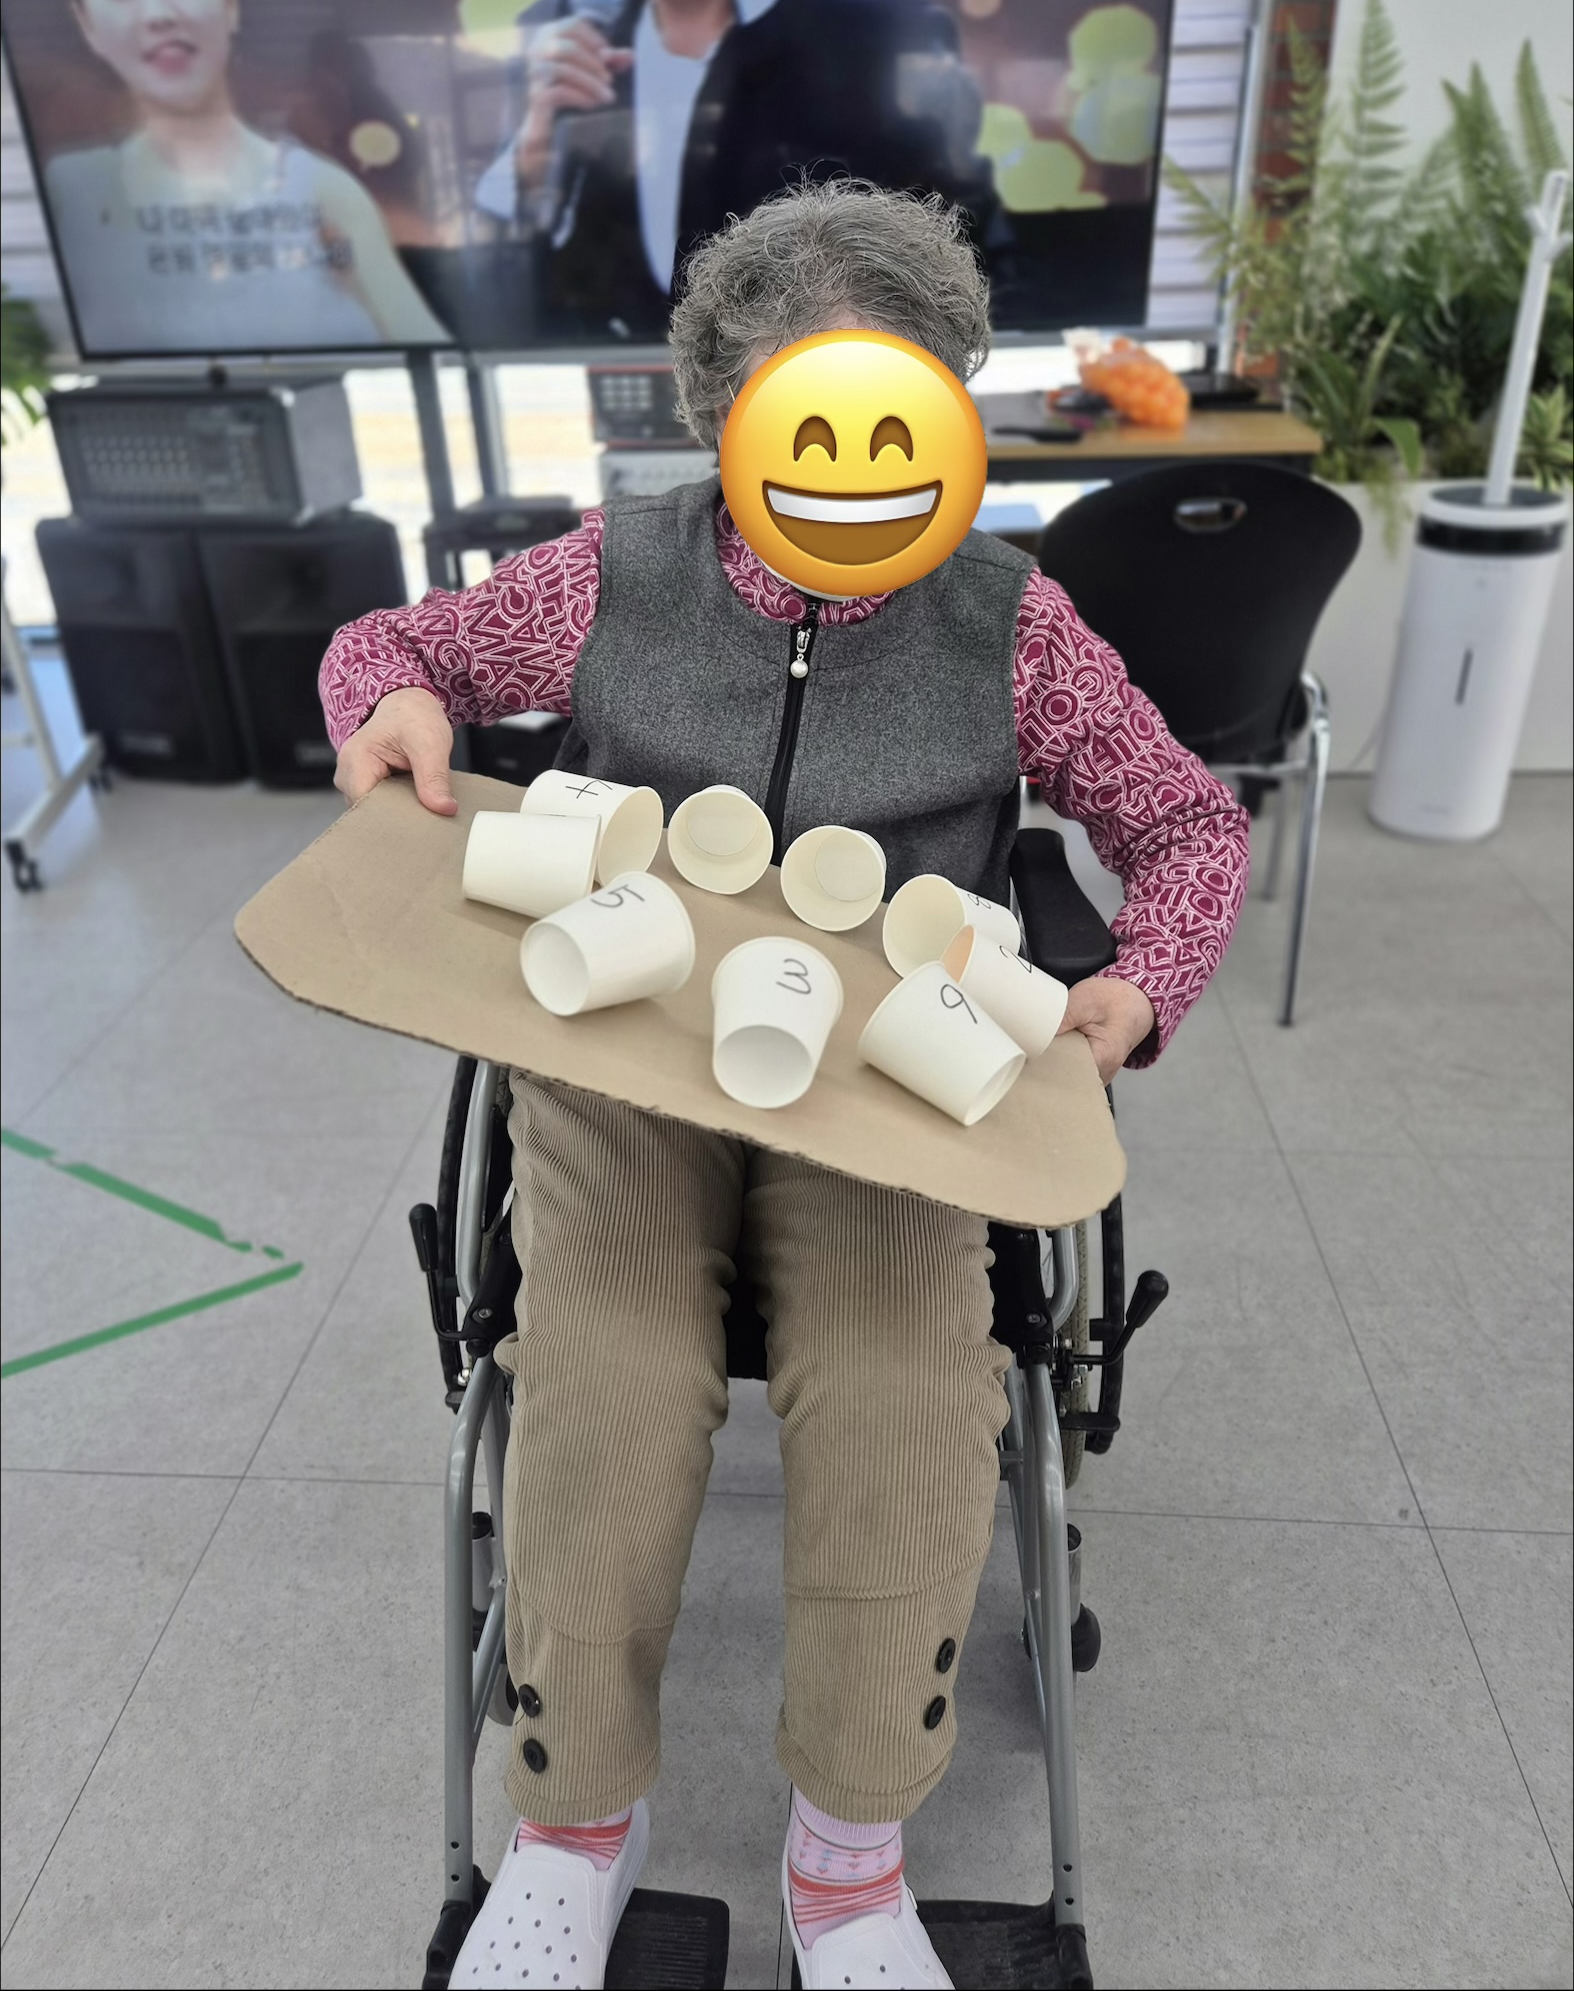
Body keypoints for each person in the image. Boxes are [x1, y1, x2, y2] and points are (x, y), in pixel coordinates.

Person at [322, 181, 1250, 1990]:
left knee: (908, 1385)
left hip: (887, 1069)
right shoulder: (611, 575)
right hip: (627, 1041)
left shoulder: (1011, 623)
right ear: (718, 414)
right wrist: (396, 701)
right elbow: (406, 648)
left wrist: (1137, 987)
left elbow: (1185, 828)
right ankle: (577, 1824)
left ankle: (846, 1856)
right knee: (607, 1368)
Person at [473, 0, 1005, 339]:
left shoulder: (882, 34)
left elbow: (965, 268)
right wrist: (531, 165)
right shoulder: (561, 30)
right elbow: (488, 302)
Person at [45, 0, 448, 353]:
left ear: (229, 2)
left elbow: (423, 342)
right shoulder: (74, 188)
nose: (156, 14)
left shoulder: (325, 192)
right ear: (86, 24)